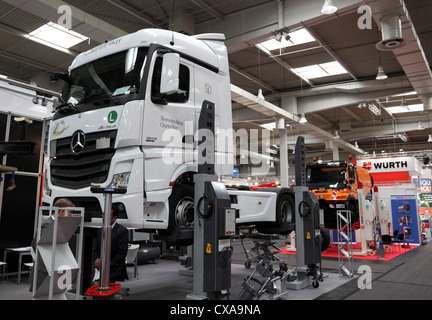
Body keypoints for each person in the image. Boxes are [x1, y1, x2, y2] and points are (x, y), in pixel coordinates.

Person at [30, 198, 75, 293]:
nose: (71, 215)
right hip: (44, 271)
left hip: (56, 270)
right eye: (70, 212)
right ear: (62, 211)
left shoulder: (61, 226)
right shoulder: (47, 224)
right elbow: (39, 246)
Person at [94, 204, 128, 283]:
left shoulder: (122, 231)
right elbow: (96, 249)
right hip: (100, 269)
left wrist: (105, 265)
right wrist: (97, 258)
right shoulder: (100, 231)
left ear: (115, 217)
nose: (103, 217)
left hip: (114, 268)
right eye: (103, 214)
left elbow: (121, 253)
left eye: (106, 215)